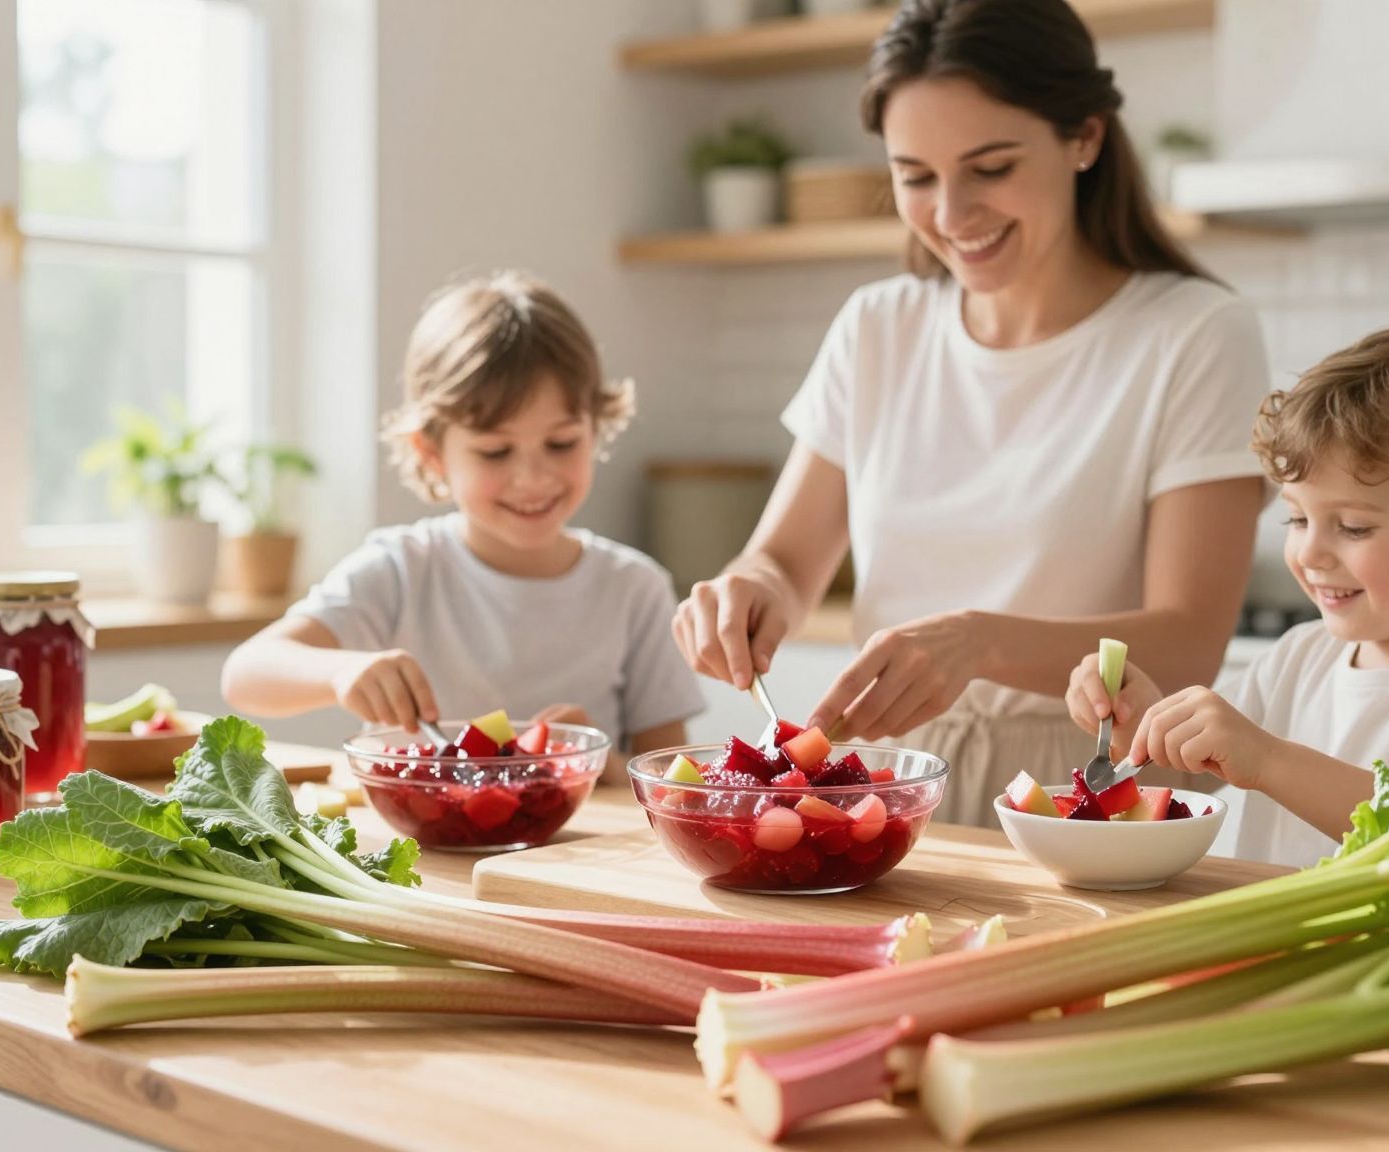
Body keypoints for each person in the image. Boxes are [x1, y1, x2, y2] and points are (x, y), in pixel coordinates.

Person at [672, 0, 1271, 825]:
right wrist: (744, 591)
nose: (951, 215)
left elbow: (1188, 640)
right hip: (891, 788)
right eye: (915, 176)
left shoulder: (1196, 334)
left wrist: (980, 643)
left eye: (990, 168)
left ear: (1085, 137)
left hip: (1091, 792)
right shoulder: (878, 326)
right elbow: (784, 562)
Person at [1068, 324, 1389, 867]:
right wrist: (1139, 721)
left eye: (1354, 527)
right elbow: (1196, 767)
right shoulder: (1299, 656)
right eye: (1296, 518)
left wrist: (1268, 760)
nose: (1309, 553)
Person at [222, 271, 703, 779]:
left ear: (595, 429)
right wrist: (341, 672)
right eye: (495, 451)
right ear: (432, 455)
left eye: (561, 443)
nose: (533, 477)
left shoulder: (634, 588)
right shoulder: (401, 569)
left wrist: (604, 767)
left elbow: (672, 781)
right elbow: (247, 674)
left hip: (579, 851)